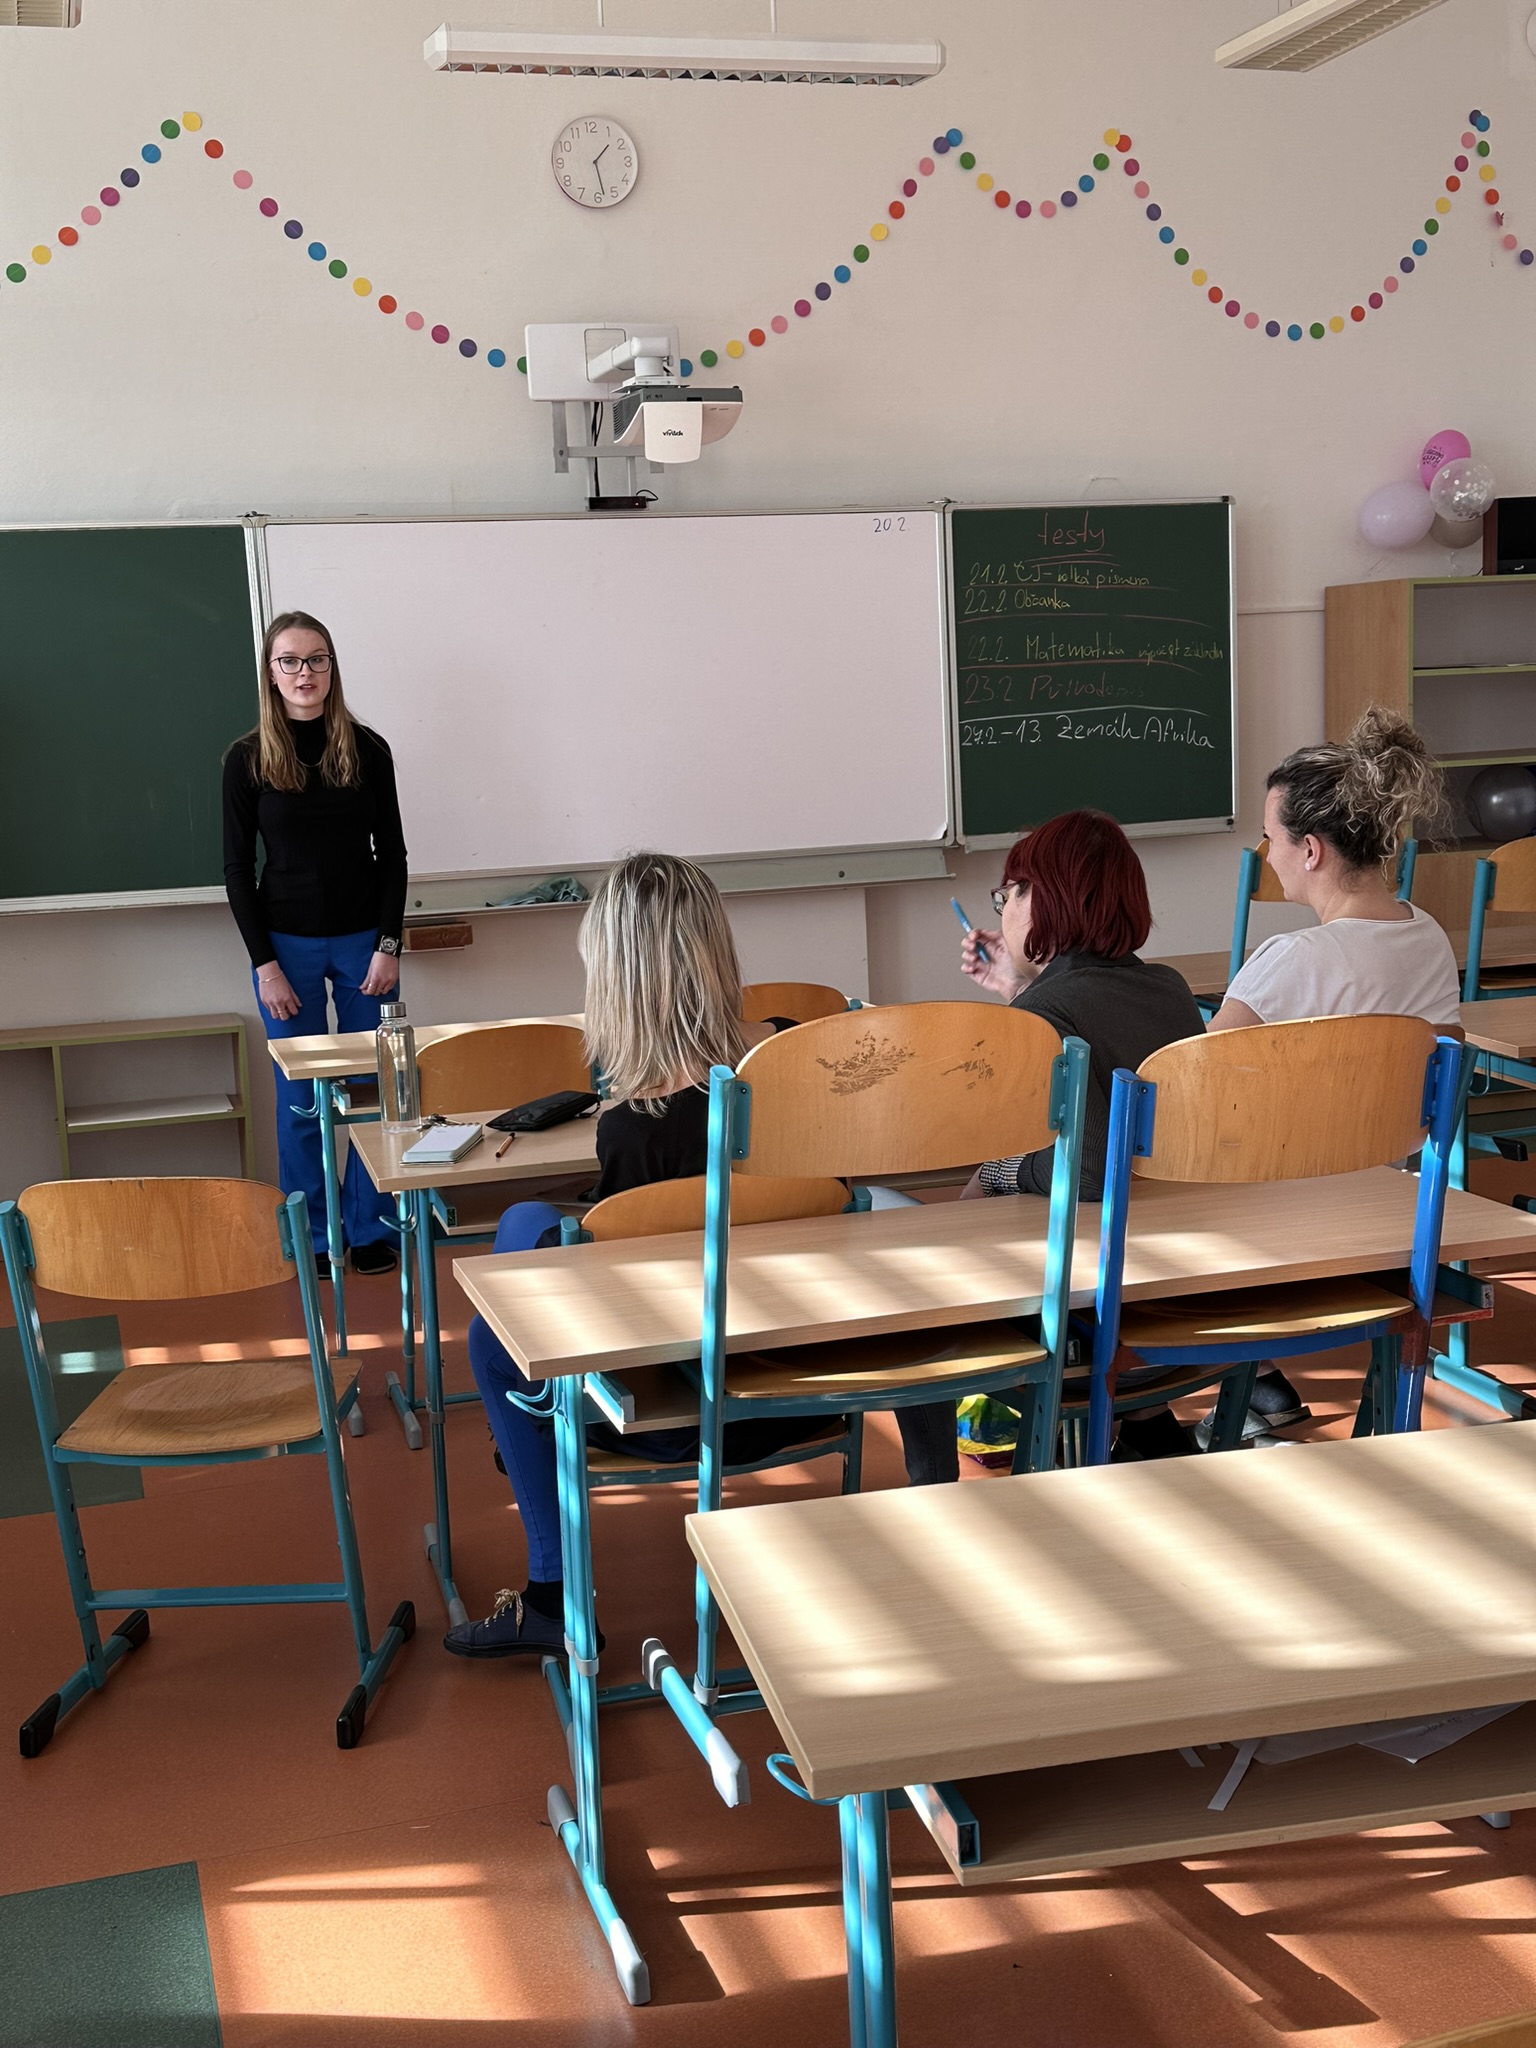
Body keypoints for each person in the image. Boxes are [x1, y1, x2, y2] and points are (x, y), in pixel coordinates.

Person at [449, 851, 919, 1659]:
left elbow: (626, 1310)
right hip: (817, 1382)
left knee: (498, 1323)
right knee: (530, 1230)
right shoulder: (796, 1060)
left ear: (617, 980)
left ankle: (553, 1589)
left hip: (680, 1416)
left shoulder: (633, 1130)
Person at [1204, 705, 1458, 1438]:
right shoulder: (1429, 938)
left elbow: (1185, 1090)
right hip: (1394, 1213)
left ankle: (1220, 1388)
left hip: (1284, 1230)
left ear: (1311, 850)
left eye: (1271, 837)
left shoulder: (1291, 960)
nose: (1265, 853)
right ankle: (1261, 1388)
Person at [959, 808, 1206, 1459]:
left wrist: (997, 1172)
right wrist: (1020, 992)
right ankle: (1149, 1425)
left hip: (1089, 1325)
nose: (1003, 911)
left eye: (1008, 894)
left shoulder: (1046, 1009)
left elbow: (1090, 1172)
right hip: (1185, 1304)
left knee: (941, 1212)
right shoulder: (1169, 988)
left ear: (1042, 899)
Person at [222, 610, 406, 1277]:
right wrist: (264, 965)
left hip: (364, 945)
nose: (306, 673)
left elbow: (393, 856)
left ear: (332, 667)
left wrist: (389, 945)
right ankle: (318, 1237)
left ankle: (370, 1228)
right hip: (285, 949)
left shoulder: (368, 749)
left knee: (373, 1091)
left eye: (318, 659)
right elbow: (236, 870)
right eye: (291, 661)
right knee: (302, 1102)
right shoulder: (246, 759)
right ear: (271, 674)